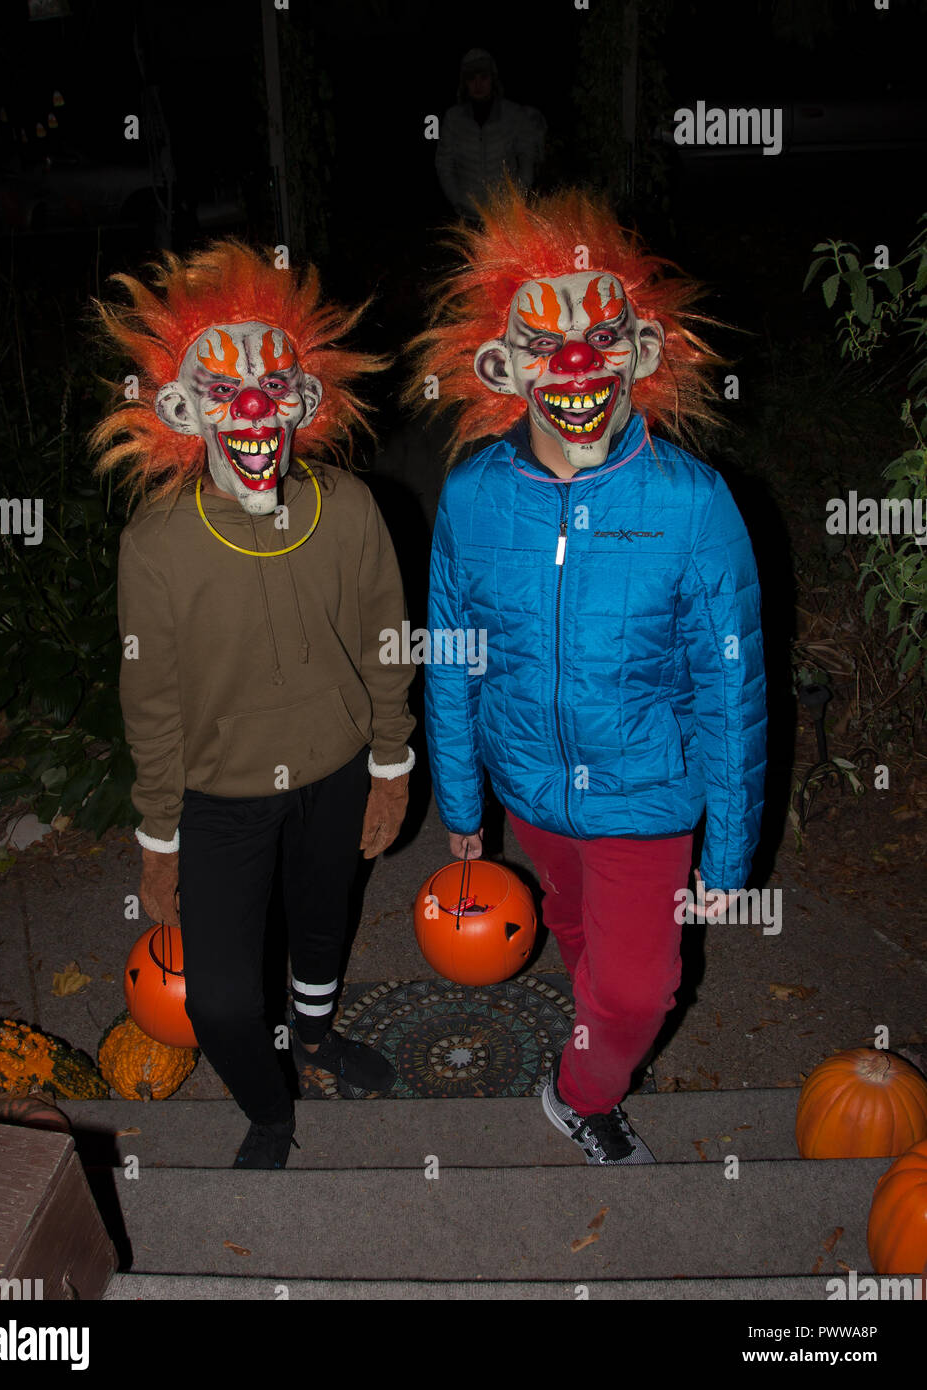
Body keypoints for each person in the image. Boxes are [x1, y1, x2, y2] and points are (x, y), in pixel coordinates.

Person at [414, 188, 766, 1164]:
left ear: (642, 353)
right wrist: (461, 795)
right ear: (499, 367)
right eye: (543, 343)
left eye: (602, 334)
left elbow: (729, 688)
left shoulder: (693, 504)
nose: (574, 362)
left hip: (647, 796)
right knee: (570, 923)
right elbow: (451, 653)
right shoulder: (473, 495)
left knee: (635, 988)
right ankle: (592, 1024)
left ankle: (578, 1089)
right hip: (527, 787)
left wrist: (728, 854)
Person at [91, 241, 416, 1169]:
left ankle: (314, 1037)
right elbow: (148, 697)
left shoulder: (349, 506)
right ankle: (269, 1111)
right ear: (184, 410)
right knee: (223, 1001)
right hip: (218, 802)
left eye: (274, 384)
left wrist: (391, 765)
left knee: (322, 927)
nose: (252, 408)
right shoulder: (155, 545)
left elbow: (386, 643)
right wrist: (158, 838)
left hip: (339, 773)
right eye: (225, 389)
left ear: (303, 405)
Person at [435, 49, 544, 221]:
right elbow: (444, 163)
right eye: (472, 78)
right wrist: (457, 199)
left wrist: (518, 195)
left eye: (483, 77)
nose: (478, 84)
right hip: (468, 214)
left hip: (506, 213)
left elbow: (527, 156)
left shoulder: (513, 114)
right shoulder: (453, 118)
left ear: (493, 79)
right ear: (465, 83)